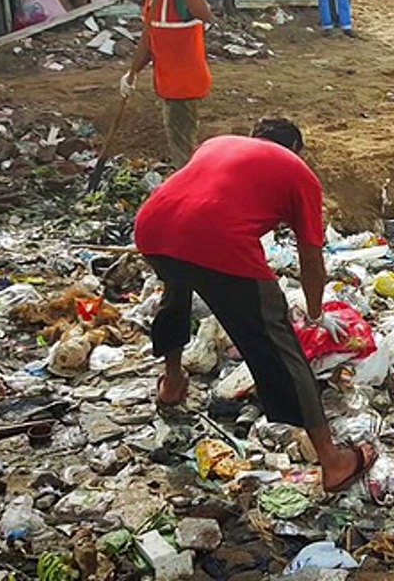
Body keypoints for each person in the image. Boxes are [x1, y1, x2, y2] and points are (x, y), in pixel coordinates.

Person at [133, 118, 377, 491]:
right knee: (276, 342)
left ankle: (172, 382)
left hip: (152, 228)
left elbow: (203, 203)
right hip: (218, 243)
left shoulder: (218, 143)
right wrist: (315, 314)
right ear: (295, 149)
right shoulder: (299, 172)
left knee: (175, 292)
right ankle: (333, 461)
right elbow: (312, 257)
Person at [110, 0, 213, 166]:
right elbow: (149, 41)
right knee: (178, 141)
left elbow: (205, 14)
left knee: (182, 147)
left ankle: (187, 186)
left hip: (185, 85)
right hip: (168, 84)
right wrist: (132, 73)